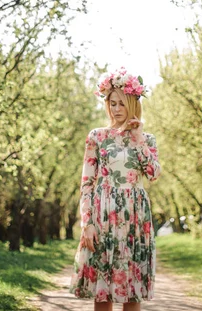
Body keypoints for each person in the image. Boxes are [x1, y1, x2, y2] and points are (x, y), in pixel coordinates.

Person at [69, 67, 162, 311]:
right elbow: (87, 183)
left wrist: (138, 137)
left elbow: (153, 174)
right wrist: (86, 223)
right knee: (103, 291)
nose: (116, 109)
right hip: (103, 216)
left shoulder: (147, 139)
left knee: (132, 292)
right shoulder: (97, 137)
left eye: (121, 103)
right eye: (112, 103)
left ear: (132, 103)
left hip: (135, 218)